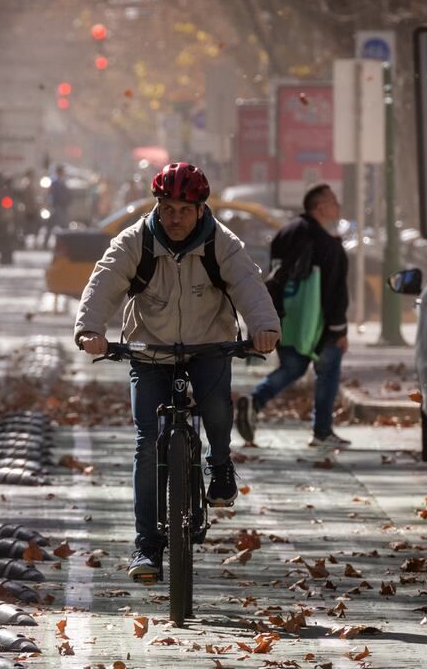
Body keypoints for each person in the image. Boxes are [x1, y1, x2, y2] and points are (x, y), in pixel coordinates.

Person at [75, 161, 280, 581]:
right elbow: (105, 280)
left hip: (209, 344)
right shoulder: (136, 241)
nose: (174, 218)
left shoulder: (221, 243)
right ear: (158, 207)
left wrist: (265, 329)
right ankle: (147, 547)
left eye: (184, 210)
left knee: (218, 410)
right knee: (147, 442)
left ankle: (220, 464)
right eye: (167, 208)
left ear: (201, 210)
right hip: (150, 350)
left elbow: (247, 284)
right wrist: (90, 330)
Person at [236, 184, 350, 448]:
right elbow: (334, 291)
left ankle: (255, 400)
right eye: (333, 201)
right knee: (327, 371)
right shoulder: (326, 244)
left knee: (293, 367)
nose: (338, 205)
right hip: (319, 323)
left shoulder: (285, 233)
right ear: (320, 207)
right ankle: (322, 431)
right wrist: (339, 330)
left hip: (285, 317)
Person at [42, 165, 71, 248]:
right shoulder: (55, 182)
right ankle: (64, 244)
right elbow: (53, 195)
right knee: (60, 226)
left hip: (60, 207)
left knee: (55, 226)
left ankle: (63, 244)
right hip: (56, 207)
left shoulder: (60, 181)